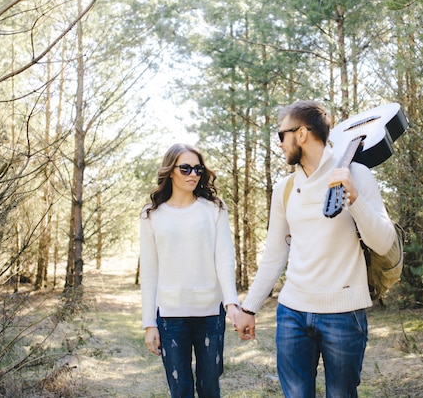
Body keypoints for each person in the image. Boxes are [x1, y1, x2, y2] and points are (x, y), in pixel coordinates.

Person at [234, 100, 396, 397]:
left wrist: (355, 199)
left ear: (303, 133)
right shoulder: (283, 189)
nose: (280, 144)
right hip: (292, 313)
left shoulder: (357, 174)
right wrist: (249, 308)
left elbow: (384, 242)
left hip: (344, 314)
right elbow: (275, 253)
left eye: (281, 135)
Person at [139, 143, 241, 398]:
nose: (193, 174)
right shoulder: (151, 214)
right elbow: (150, 271)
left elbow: (224, 258)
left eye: (197, 169)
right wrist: (149, 323)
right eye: (185, 168)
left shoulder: (214, 208)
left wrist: (231, 303)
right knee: (180, 390)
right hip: (170, 316)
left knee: (209, 389)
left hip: (210, 314)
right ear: (170, 171)